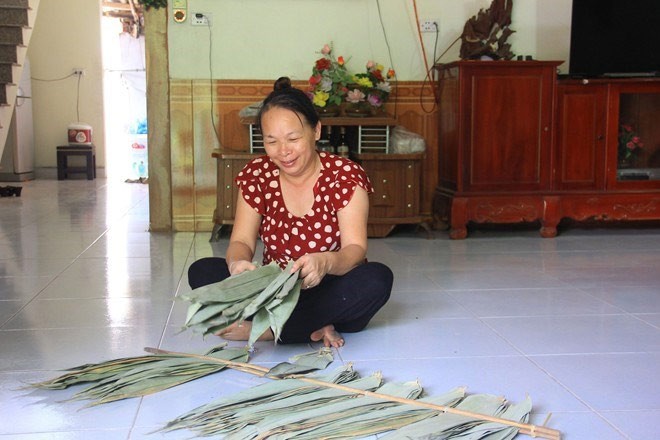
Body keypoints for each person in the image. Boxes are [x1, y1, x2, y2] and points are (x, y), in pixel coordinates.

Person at [187, 77, 393, 348]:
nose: (283, 152)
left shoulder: (344, 175)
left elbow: (355, 249)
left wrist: (325, 262)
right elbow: (242, 242)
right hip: (274, 290)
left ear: (316, 131)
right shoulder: (257, 174)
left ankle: (267, 331)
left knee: (377, 279)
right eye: (271, 141)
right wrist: (238, 265)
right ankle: (314, 323)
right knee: (202, 271)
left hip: (330, 286)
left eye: (293, 138)